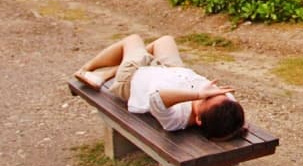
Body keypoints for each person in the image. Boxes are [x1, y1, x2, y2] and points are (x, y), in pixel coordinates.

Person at [75, 34, 245, 140]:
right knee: (164, 40)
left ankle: (87, 69)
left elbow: (157, 96)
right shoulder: (222, 108)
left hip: (132, 78)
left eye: (208, 99)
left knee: (133, 40)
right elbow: (231, 107)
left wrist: (199, 93)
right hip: (170, 70)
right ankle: (106, 74)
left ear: (198, 120)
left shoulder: (175, 119)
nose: (212, 93)